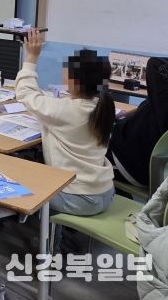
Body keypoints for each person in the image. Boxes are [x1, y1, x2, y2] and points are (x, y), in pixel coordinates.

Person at [15, 30, 115, 215]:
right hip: (105, 193)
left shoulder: (67, 110)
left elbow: (25, 94)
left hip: (77, 198)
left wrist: (31, 58)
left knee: (17, 177)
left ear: (75, 82)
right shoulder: (104, 105)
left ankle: (31, 230)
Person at [108, 57, 168, 187]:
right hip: (152, 167)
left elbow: (155, 64)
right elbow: (155, 106)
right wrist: (130, 113)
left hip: (127, 163)